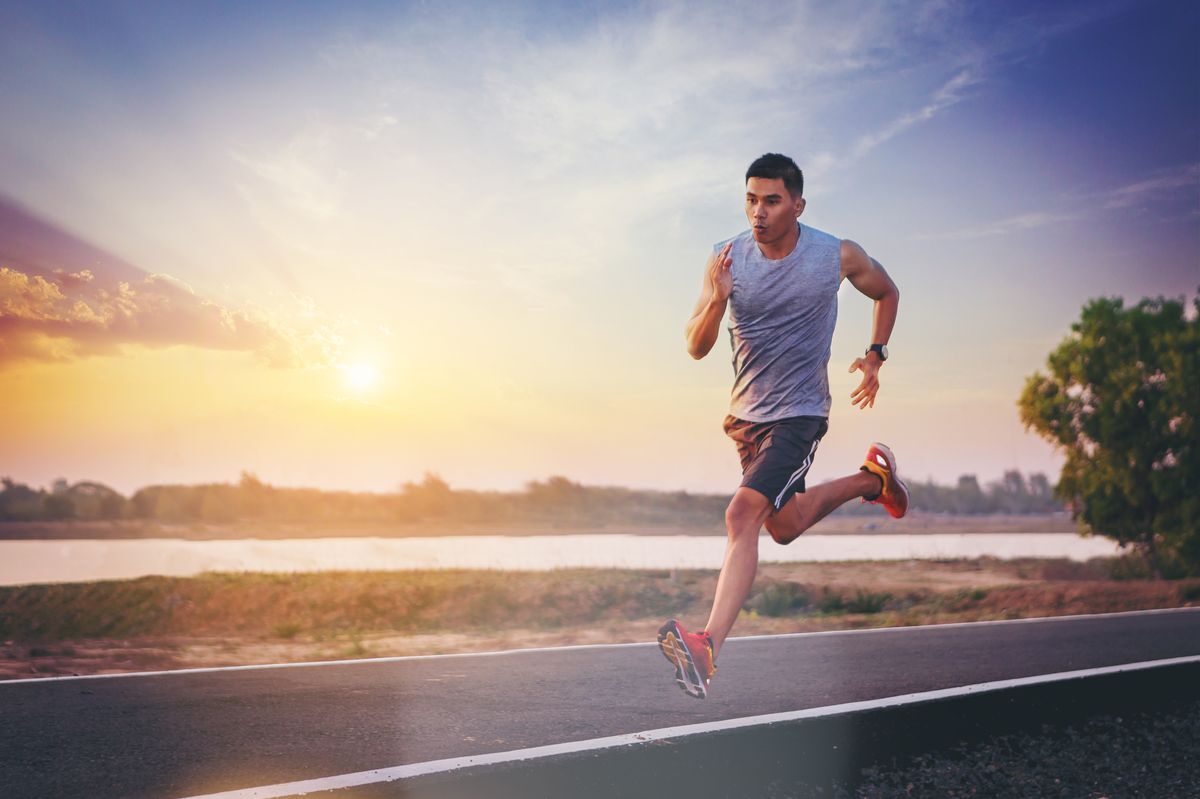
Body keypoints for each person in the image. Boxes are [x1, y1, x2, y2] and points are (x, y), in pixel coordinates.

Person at [658, 153, 909, 699]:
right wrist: (719, 300)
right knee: (784, 525)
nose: (759, 212)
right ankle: (874, 480)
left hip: (799, 414)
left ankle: (706, 649)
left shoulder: (834, 255)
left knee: (742, 513)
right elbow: (696, 347)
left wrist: (875, 355)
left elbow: (887, 291)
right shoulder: (725, 259)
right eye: (751, 200)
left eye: (771, 201)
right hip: (746, 419)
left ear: (797, 204)